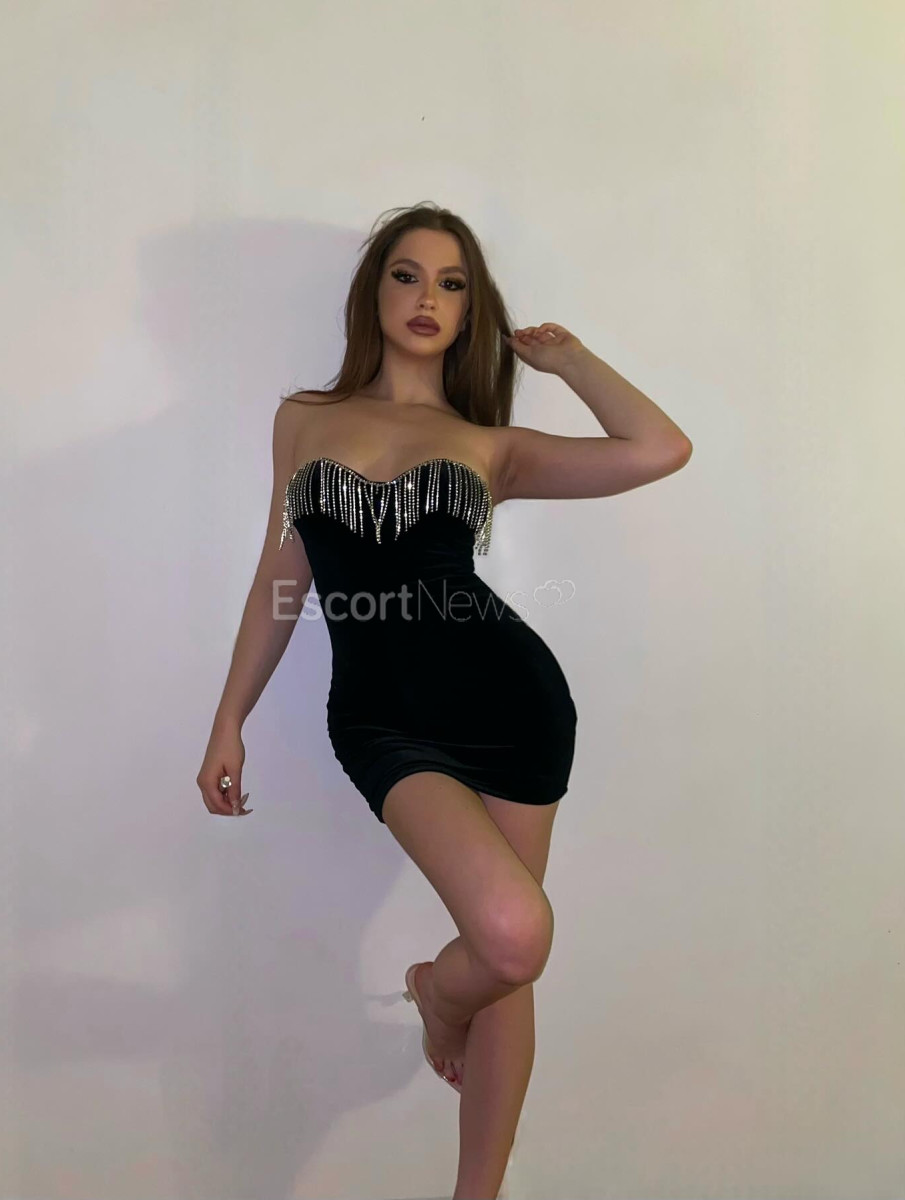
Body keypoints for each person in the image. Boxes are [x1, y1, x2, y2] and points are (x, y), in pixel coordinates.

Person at [196, 202, 692, 1199]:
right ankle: (433, 991)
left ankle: (478, 1190)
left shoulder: (488, 444)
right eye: (408, 274)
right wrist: (228, 718)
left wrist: (570, 361)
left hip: (511, 705)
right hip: (380, 719)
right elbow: (280, 576)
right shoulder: (304, 420)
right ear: (373, 292)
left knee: (510, 961)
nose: (428, 297)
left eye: (453, 283)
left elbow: (657, 448)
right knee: (510, 934)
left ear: (470, 312)